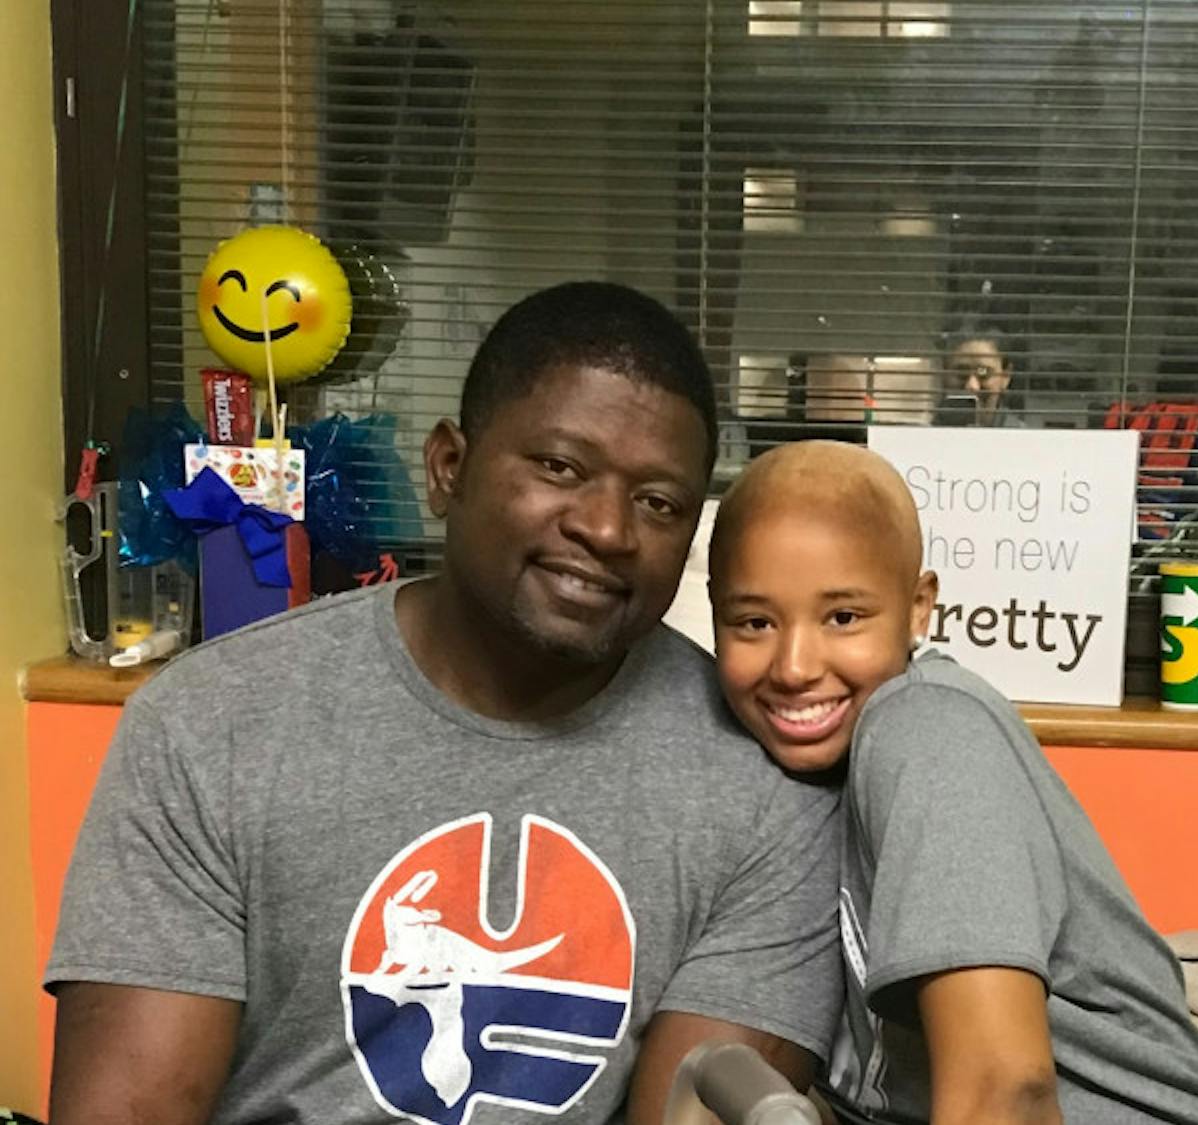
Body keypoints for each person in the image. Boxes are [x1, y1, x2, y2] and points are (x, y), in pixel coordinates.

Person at [45, 282, 843, 1125]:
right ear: (447, 468)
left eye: (659, 502)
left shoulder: (763, 784)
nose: (609, 529)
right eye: (560, 467)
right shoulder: (211, 725)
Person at [707, 441, 1198, 1125]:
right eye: (755, 621)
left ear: (918, 607)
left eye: (843, 617)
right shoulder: (767, 768)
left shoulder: (927, 726)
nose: (794, 666)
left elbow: (1009, 1089)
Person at [934, 316, 1022, 429]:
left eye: (984, 373)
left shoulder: (1021, 441)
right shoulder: (925, 436)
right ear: (944, 372)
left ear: (1005, 376)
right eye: (961, 373)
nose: (972, 386)